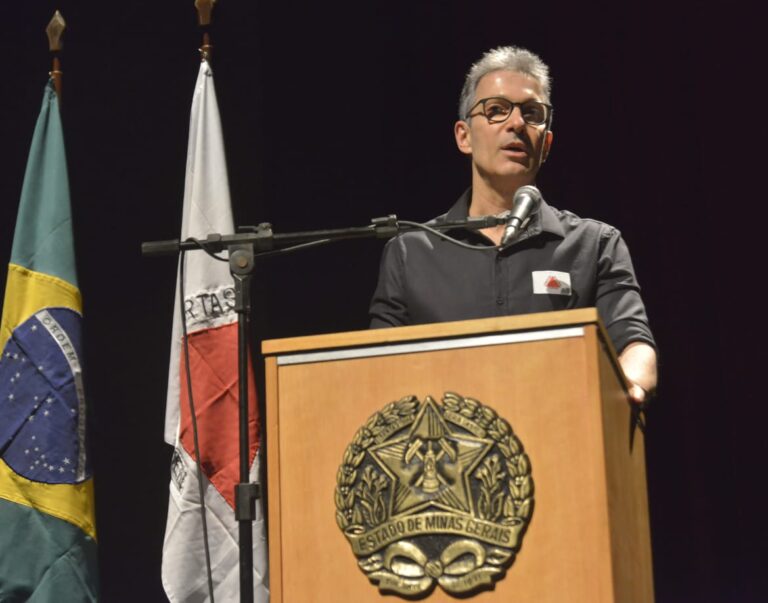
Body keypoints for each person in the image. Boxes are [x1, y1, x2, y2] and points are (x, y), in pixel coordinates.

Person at [369, 46, 657, 404]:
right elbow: (375, 367)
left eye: (532, 113)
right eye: (496, 110)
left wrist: (629, 386)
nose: (517, 123)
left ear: (546, 143)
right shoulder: (410, 252)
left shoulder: (595, 244)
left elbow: (633, 342)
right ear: (464, 136)